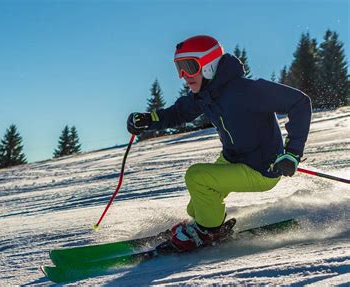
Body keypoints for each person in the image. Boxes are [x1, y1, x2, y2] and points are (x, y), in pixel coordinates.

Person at [127, 35, 312, 251]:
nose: (183, 76)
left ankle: (208, 231)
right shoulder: (205, 95)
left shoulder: (246, 90)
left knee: (198, 178)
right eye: (179, 68)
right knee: (196, 208)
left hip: (262, 168)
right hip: (234, 160)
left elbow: (299, 102)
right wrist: (149, 120)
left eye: (189, 67)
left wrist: (292, 153)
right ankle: (206, 223)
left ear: (209, 65)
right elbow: (178, 113)